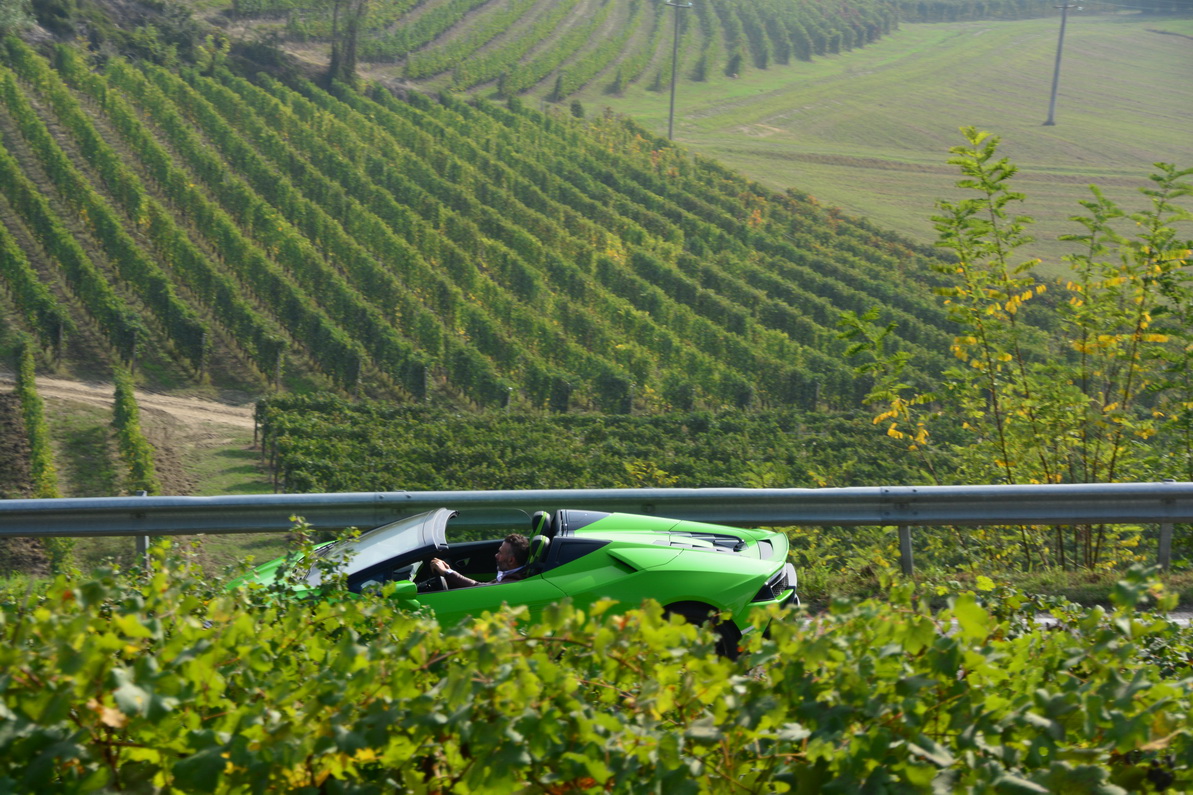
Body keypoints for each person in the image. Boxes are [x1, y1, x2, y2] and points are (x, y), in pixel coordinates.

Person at [427, 533, 530, 589]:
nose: (496, 555)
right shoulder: (511, 576)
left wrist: (447, 572)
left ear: (511, 560)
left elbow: (478, 587)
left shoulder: (510, 583)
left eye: (500, 553)